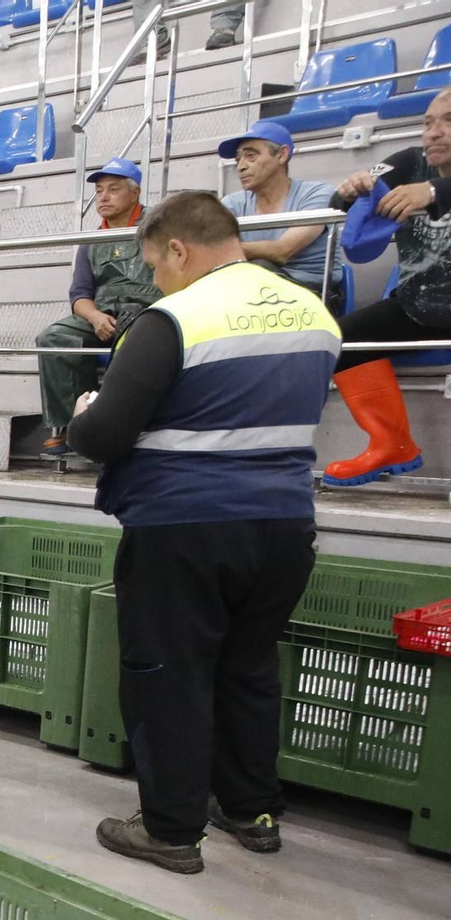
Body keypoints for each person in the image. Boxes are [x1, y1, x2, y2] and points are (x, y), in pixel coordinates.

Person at [63, 192, 339, 872]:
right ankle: (252, 809)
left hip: (185, 526)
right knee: (247, 668)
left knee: (169, 674)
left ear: (180, 250)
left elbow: (101, 436)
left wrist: (85, 410)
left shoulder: (174, 318)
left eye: (157, 264)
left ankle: (171, 828)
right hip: (283, 524)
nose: (155, 279)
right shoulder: (314, 312)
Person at [323, 87, 451, 486]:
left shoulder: (427, 183)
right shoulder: (411, 162)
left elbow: (434, 193)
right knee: (342, 340)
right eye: (428, 122)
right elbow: (339, 201)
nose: (433, 132)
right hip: (419, 305)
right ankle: (392, 444)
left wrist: (432, 193)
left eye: (448, 121)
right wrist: (354, 188)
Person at [35, 158, 159, 457]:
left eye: (113, 189)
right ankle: (73, 426)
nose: (103, 197)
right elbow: (79, 295)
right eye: (100, 190)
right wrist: (94, 317)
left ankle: (129, 429)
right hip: (103, 314)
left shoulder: (159, 225)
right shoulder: (91, 240)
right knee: (54, 338)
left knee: (140, 337)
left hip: (148, 311)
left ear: (135, 193)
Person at [217, 121, 337, 308]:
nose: (241, 166)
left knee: (256, 269)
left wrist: (220, 250)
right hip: (249, 292)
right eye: (237, 159)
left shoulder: (318, 194)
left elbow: (282, 251)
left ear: (281, 155)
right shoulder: (233, 203)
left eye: (251, 156)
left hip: (311, 296)